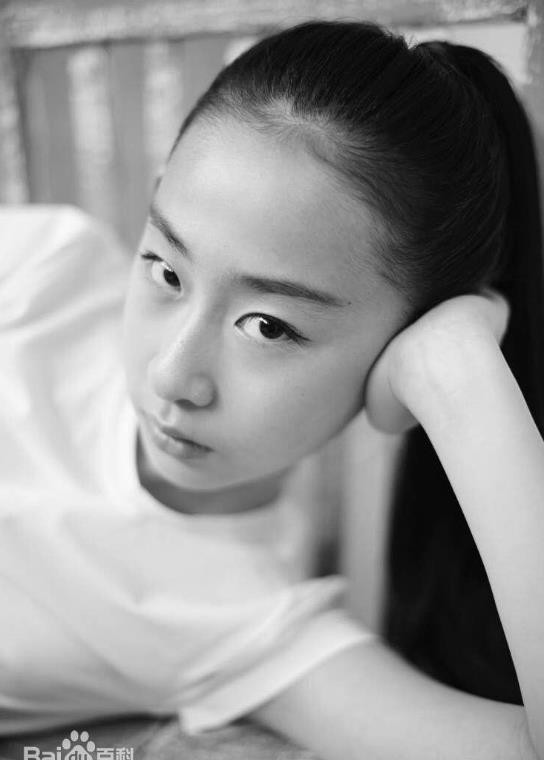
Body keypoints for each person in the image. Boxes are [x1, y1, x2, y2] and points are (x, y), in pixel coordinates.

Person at [1, 17, 543, 760]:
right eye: (167, 271)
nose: (172, 376)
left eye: (269, 327)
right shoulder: (44, 271)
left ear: (400, 346)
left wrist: (463, 374)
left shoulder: (243, 623)